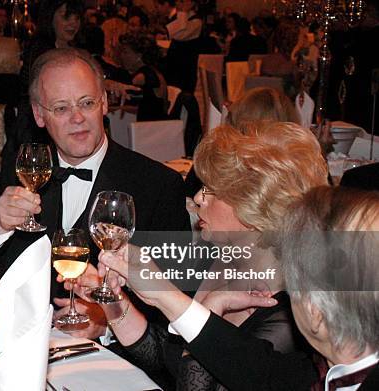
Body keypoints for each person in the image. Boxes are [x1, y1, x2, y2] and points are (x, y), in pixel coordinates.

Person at [88, 121, 328, 389]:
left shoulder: (289, 318)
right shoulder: (210, 258)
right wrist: (114, 302)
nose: (198, 198)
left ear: (255, 209)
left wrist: (172, 296)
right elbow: (165, 356)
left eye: (213, 190)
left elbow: (194, 383)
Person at [0, 48, 190, 298]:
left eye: (86, 103)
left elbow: (176, 297)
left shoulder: (158, 185)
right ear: (39, 115)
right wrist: (0, 223)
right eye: (61, 108)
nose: (77, 117)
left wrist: (107, 323)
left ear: (104, 103)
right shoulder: (31, 172)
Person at [104, 186, 379, 390]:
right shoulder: (316, 370)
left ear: (315, 312)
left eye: (296, 286)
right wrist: (172, 297)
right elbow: (254, 367)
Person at [117, 33, 168, 121]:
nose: (121, 56)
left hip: (149, 127)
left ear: (139, 56)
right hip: (154, 123)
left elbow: (134, 107)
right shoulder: (153, 71)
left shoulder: (141, 77)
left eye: (125, 52)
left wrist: (112, 109)